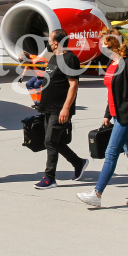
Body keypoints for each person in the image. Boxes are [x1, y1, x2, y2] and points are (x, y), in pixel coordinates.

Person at [77, 35, 128, 208]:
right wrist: (107, 114)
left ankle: (97, 193)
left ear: (111, 45)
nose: (99, 47)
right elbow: (112, 92)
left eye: (102, 44)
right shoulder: (112, 64)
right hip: (117, 115)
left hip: (127, 117)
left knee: (111, 154)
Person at [34, 29, 88, 189]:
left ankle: (49, 178)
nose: (48, 43)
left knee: (50, 141)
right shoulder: (54, 58)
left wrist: (66, 108)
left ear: (56, 42)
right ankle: (78, 162)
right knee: (51, 141)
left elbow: (73, 84)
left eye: (50, 40)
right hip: (48, 107)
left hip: (60, 108)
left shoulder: (70, 59)